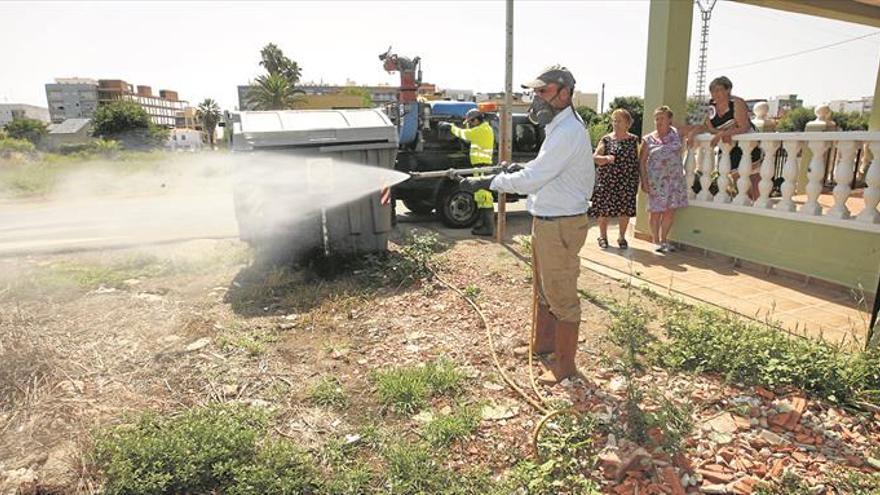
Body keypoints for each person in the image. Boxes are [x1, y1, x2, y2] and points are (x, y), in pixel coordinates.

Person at [458, 65, 594, 384]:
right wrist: (520, 167)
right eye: (535, 92)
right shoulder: (559, 127)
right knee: (545, 289)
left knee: (561, 295)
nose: (537, 99)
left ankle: (565, 367)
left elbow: (534, 179)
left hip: (560, 224)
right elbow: (545, 168)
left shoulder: (569, 131)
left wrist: (492, 182)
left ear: (565, 93)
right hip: (548, 220)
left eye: (543, 91)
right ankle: (543, 347)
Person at [687, 76, 762, 201]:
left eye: (718, 90)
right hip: (728, 146)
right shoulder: (710, 107)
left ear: (728, 90)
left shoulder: (737, 103)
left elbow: (744, 127)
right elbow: (707, 127)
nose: (715, 93)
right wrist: (693, 133)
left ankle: (759, 206)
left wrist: (722, 134)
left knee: (754, 178)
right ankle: (748, 204)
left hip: (747, 145)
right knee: (739, 179)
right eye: (712, 90)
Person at [588, 108, 639, 249]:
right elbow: (595, 157)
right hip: (608, 181)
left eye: (619, 121)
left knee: (625, 210)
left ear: (627, 123)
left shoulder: (634, 140)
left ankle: (621, 237)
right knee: (604, 210)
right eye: (614, 120)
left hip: (627, 182)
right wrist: (605, 158)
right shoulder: (606, 139)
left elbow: (638, 160)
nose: (615, 123)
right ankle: (603, 236)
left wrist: (639, 180)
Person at [440, 109, 496, 236]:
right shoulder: (484, 128)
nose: (470, 125)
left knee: (484, 197)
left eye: (471, 122)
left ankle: (488, 228)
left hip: (482, 167)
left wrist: (451, 126)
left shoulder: (481, 130)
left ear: (476, 120)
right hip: (480, 167)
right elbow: (469, 131)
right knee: (480, 197)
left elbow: (464, 134)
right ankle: (482, 225)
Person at [640, 106, 688, 253]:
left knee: (669, 212)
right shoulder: (648, 139)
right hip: (656, 182)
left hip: (674, 180)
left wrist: (691, 136)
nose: (658, 121)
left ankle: (664, 240)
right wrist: (644, 181)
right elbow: (641, 161)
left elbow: (697, 128)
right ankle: (656, 241)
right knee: (655, 211)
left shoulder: (676, 133)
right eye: (656, 118)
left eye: (662, 118)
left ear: (669, 120)